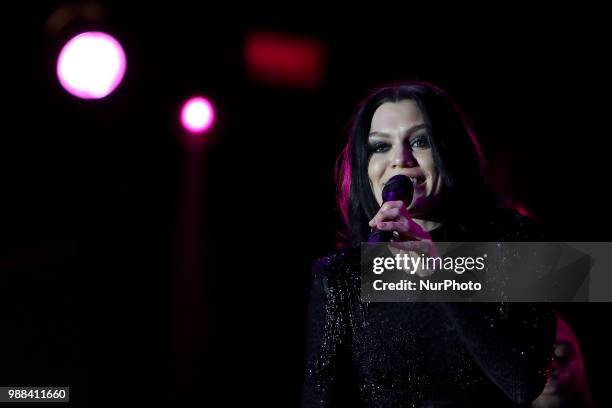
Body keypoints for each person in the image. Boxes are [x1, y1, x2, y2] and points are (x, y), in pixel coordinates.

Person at [302, 81, 556, 407]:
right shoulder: (342, 276)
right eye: (380, 147)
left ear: (449, 150)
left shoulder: (511, 241)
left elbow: (523, 382)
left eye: (420, 141)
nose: (400, 159)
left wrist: (437, 272)